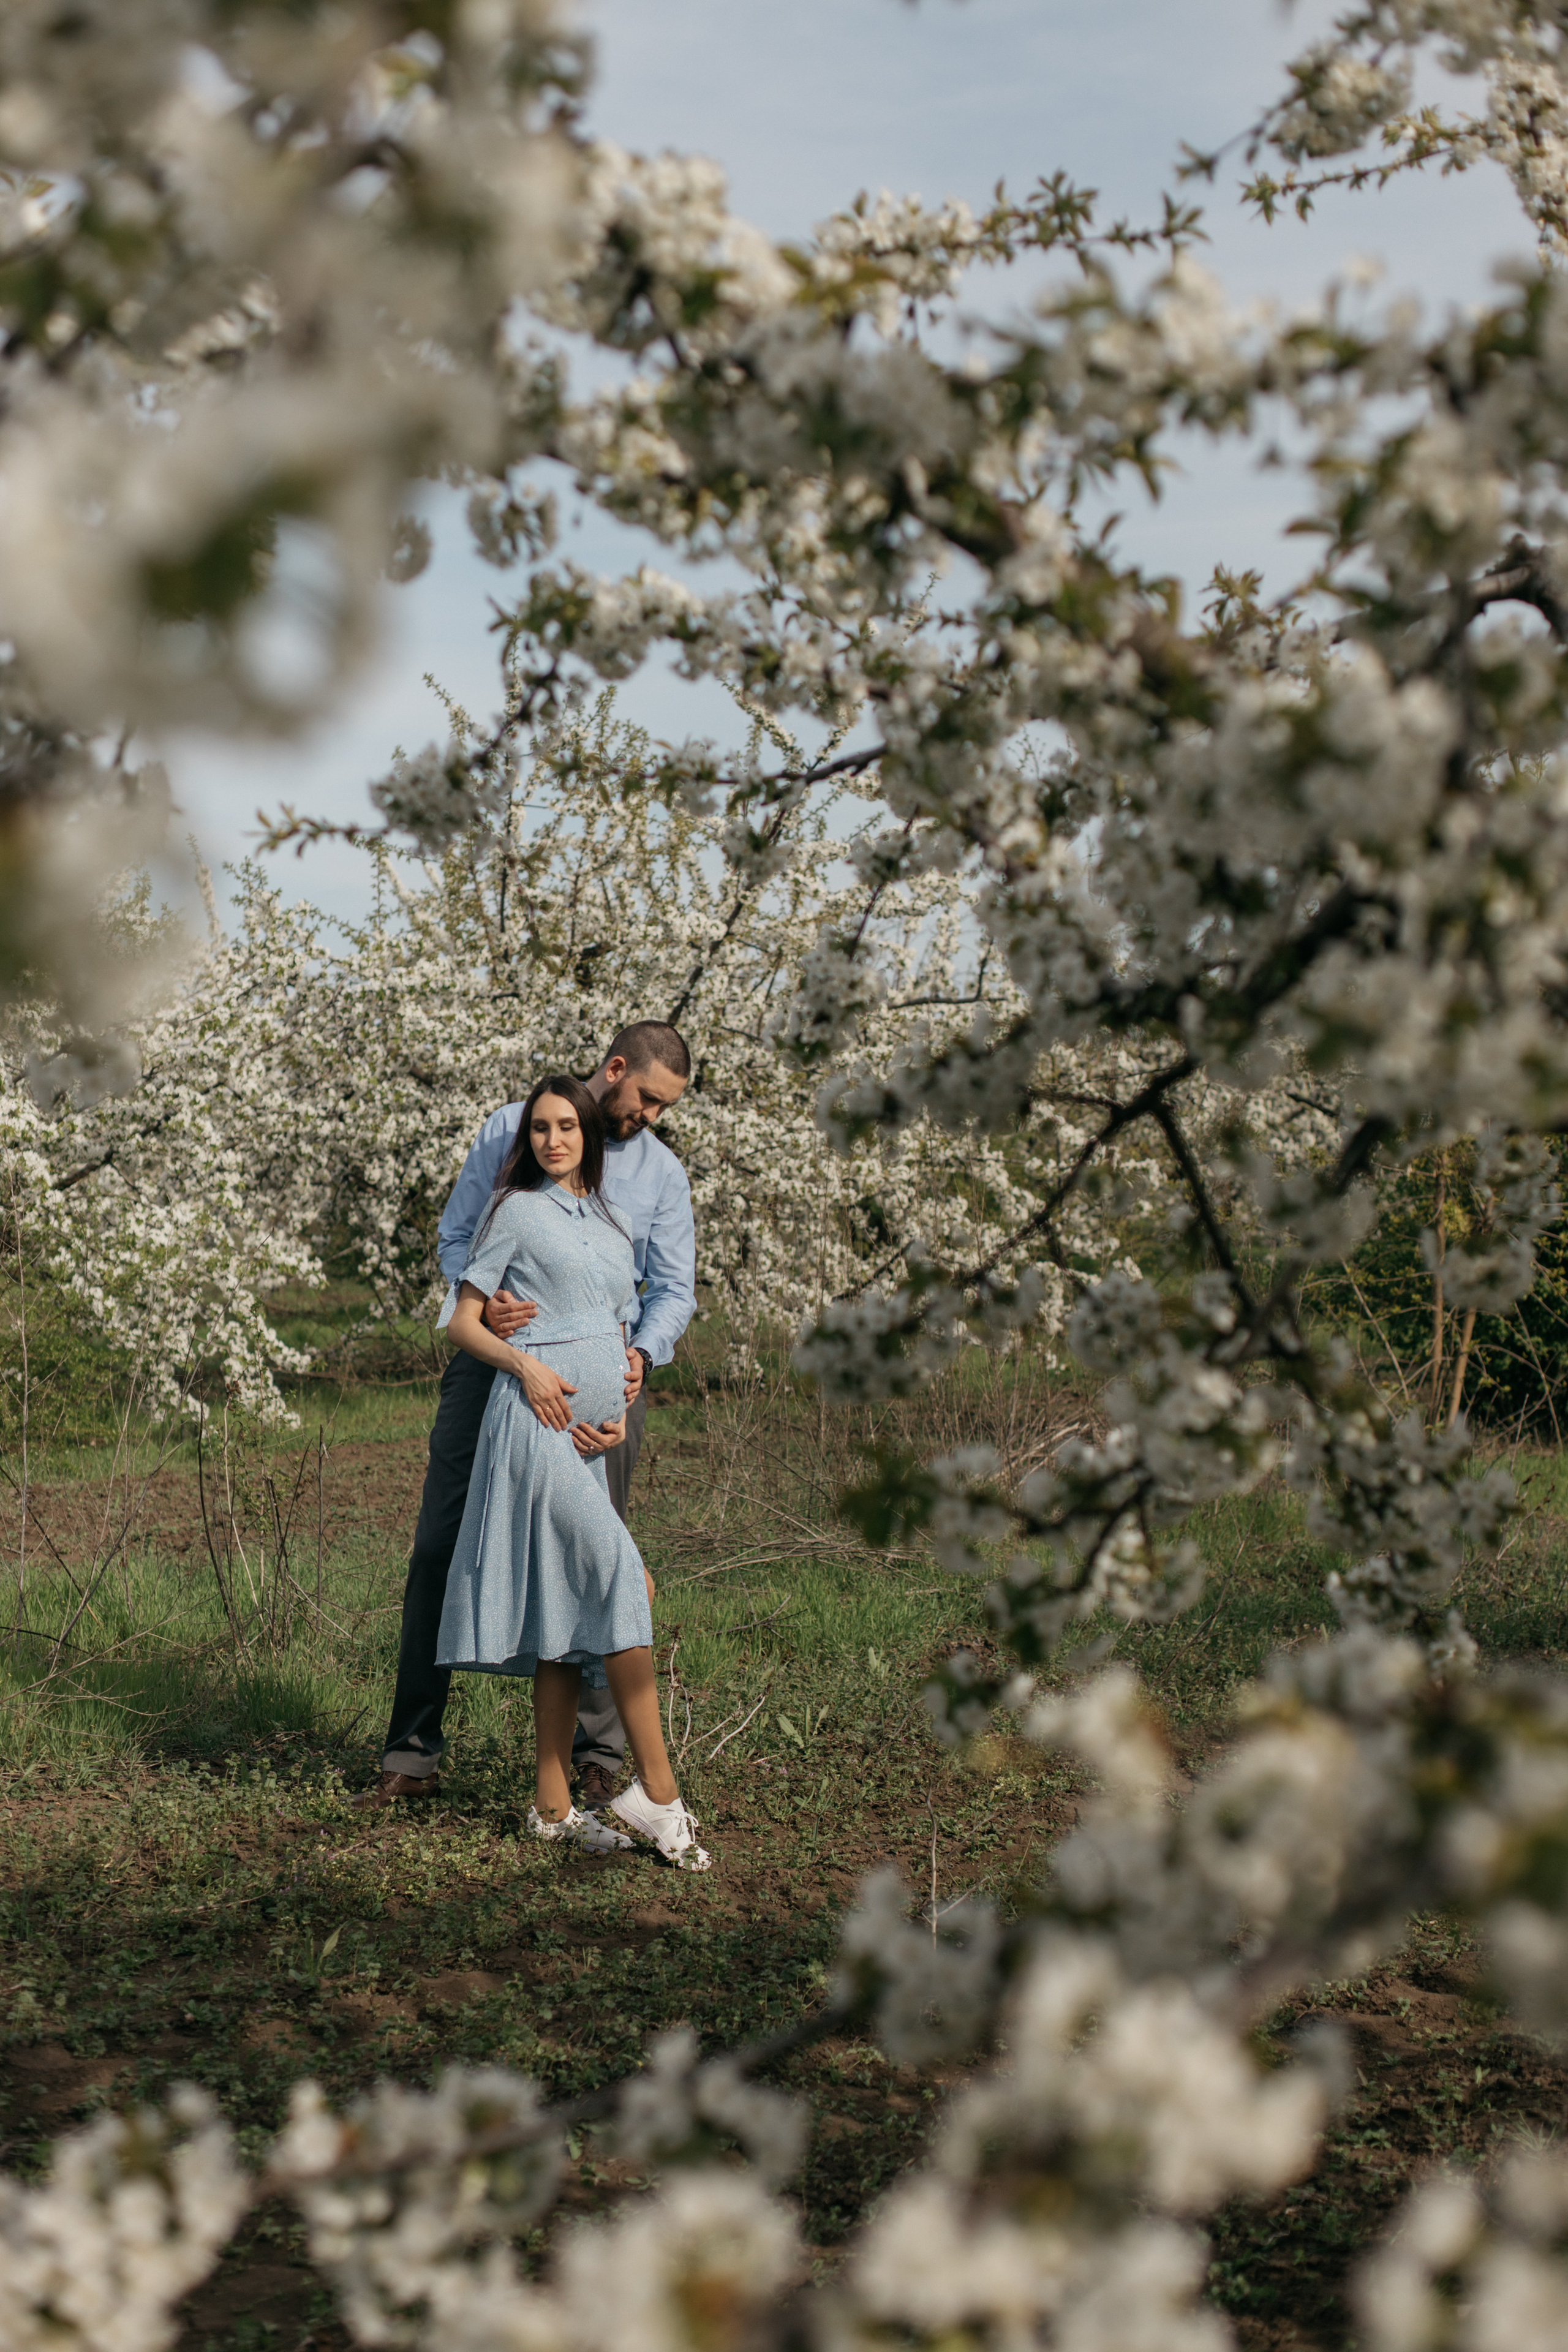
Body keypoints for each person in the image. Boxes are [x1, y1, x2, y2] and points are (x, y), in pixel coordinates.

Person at [357, 1022, 695, 1811]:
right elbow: (457, 1238)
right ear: (616, 1069)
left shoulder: (661, 1174)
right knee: (441, 1544)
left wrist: (643, 1354)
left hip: (606, 1398)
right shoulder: (511, 1131)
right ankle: (412, 1753)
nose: (651, 1117)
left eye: (664, 1108)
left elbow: (673, 1287)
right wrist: (493, 1301)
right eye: (647, 1099)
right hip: (495, 1372)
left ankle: (596, 1761)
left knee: (598, 1558)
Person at [433, 1073, 707, 1868]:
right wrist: (525, 1366)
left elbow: (617, 1320)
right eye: (540, 1128)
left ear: (588, 1133)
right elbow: (462, 1322)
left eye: (567, 1127)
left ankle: (552, 1809)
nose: (553, 1140)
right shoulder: (515, 1210)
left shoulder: (610, 1218)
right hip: (532, 1425)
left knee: (563, 1606)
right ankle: (659, 1795)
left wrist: (622, 1387)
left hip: (591, 1435)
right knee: (624, 1577)